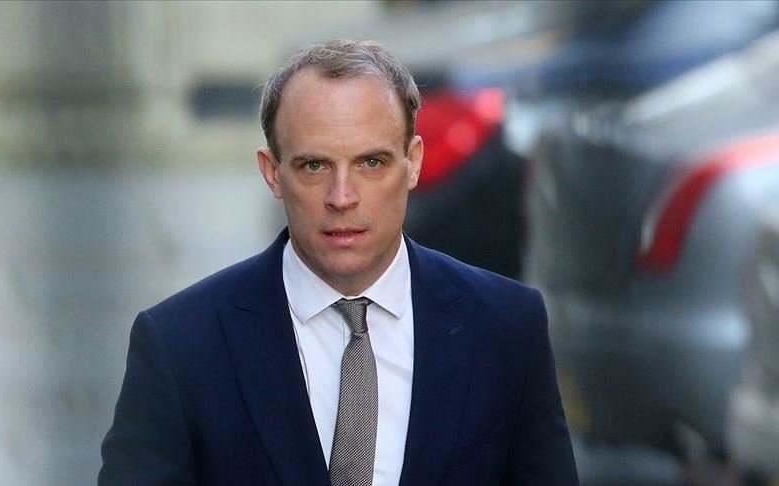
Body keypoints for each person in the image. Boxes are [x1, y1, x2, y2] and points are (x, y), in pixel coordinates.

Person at [99, 39, 578, 485]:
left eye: (371, 163)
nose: (342, 197)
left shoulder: (507, 327)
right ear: (272, 172)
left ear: (413, 162)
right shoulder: (180, 345)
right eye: (315, 166)